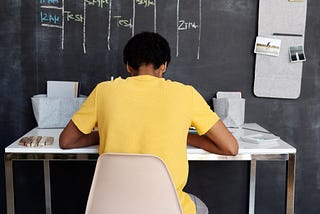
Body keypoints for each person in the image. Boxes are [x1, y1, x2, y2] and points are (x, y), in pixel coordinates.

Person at [59, 32, 238, 214]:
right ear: (163, 66)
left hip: (112, 206)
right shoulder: (185, 94)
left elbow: (66, 141)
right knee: (201, 208)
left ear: (128, 66)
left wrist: (105, 132)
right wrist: (187, 138)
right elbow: (230, 148)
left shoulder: (103, 91)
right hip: (166, 208)